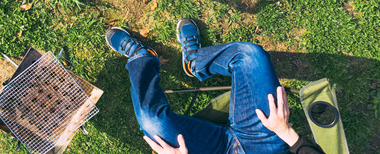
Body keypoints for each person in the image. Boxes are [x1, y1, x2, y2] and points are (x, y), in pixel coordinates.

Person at [105, 19, 325, 153]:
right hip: (265, 142)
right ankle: (195, 62)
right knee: (249, 56)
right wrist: (286, 132)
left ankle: (141, 58)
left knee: (152, 121)